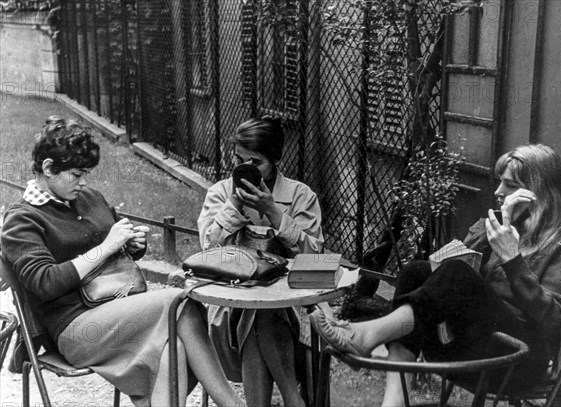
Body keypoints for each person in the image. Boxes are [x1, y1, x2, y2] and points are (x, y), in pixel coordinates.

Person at [310, 144, 561, 406]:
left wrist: (512, 259)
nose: (499, 191)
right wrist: (499, 223)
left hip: (521, 360)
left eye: (511, 185)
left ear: (539, 194)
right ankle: (393, 402)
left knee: (458, 274)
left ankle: (367, 336)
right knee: (415, 271)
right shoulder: (505, 226)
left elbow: (554, 321)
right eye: (501, 181)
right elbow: (443, 267)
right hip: (478, 345)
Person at [0, 116, 244, 407]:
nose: (84, 182)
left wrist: (132, 245)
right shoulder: (22, 219)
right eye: (76, 174)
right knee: (181, 303)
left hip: (121, 310)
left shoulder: (88, 197)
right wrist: (106, 247)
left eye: (87, 173)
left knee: (175, 347)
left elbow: (116, 243)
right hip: (75, 329)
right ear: (49, 168)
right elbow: (45, 283)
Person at [177, 117, 324, 407]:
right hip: (228, 317)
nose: (247, 170)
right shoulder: (221, 193)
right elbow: (207, 247)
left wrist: (274, 212)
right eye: (239, 161)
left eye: (256, 163)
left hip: (288, 315)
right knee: (257, 314)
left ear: (275, 160)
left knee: (264, 313)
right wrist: (234, 206)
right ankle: (295, 401)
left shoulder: (299, 196)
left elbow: (316, 259)